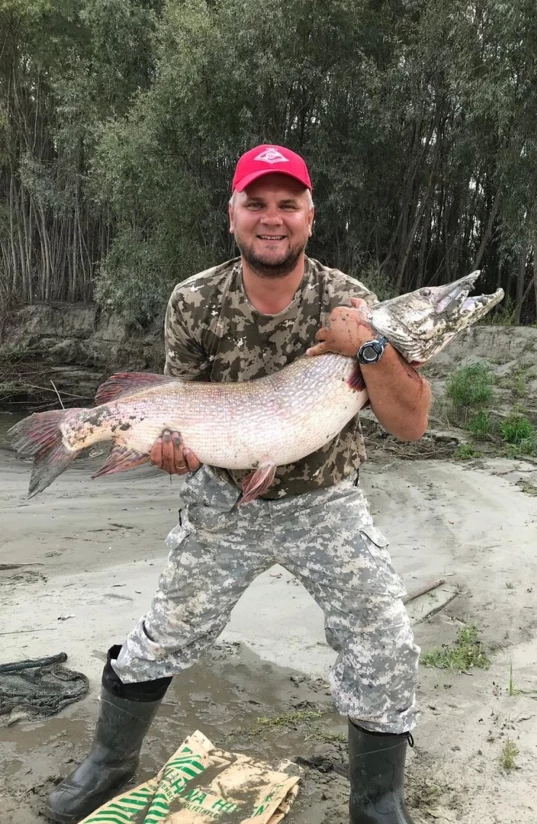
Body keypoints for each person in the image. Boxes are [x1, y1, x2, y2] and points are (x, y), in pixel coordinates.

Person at [46, 145, 432, 824]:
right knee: (163, 633)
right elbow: (182, 409)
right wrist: (171, 454)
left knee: (384, 637)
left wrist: (369, 348)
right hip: (223, 497)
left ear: (310, 217)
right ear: (233, 215)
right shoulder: (194, 300)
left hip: (325, 500)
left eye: (288, 204)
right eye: (257, 203)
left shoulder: (352, 305)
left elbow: (409, 424)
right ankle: (108, 764)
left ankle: (377, 801)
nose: (272, 218)